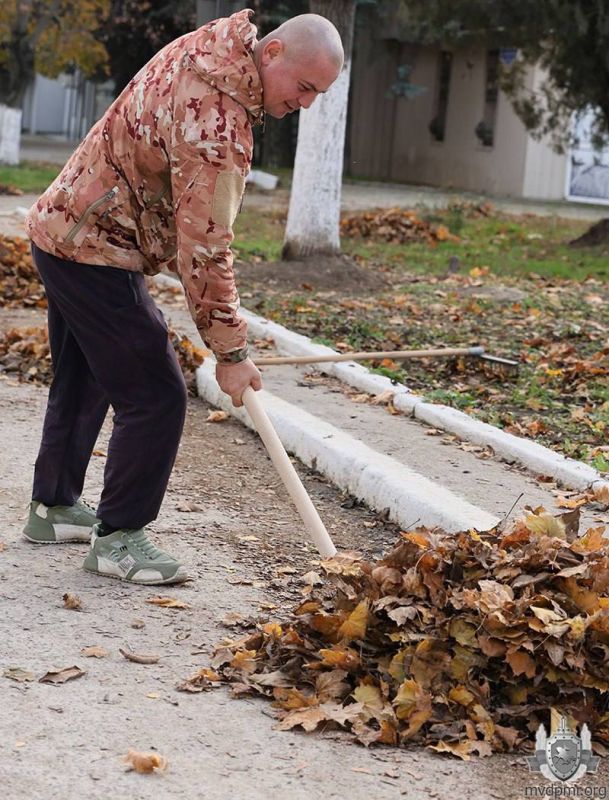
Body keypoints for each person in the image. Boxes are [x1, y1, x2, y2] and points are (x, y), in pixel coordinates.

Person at [22, 9, 344, 585]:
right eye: (304, 88)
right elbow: (205, 251)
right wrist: (231, 354)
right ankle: (119, 537)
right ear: (271, 54)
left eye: (319, 93)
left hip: (64, 226)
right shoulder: (218, 127)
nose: (307, 104)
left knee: (89, 373)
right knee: (157, 393)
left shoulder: (215, 46)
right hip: (95, 248)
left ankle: (53, 507)